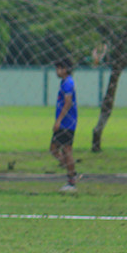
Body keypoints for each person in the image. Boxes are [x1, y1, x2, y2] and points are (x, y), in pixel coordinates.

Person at [50, 58, 79, 193]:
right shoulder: (65, 82)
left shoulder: (68, 83)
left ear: (65, 69)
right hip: (66, 123)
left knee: (65, 151)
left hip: (67, 123)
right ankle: (70, 171)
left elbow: (68, 103)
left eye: (58, 68)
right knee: (56, 149)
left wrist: (59, 120)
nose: (57, 71)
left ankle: (71, 180)